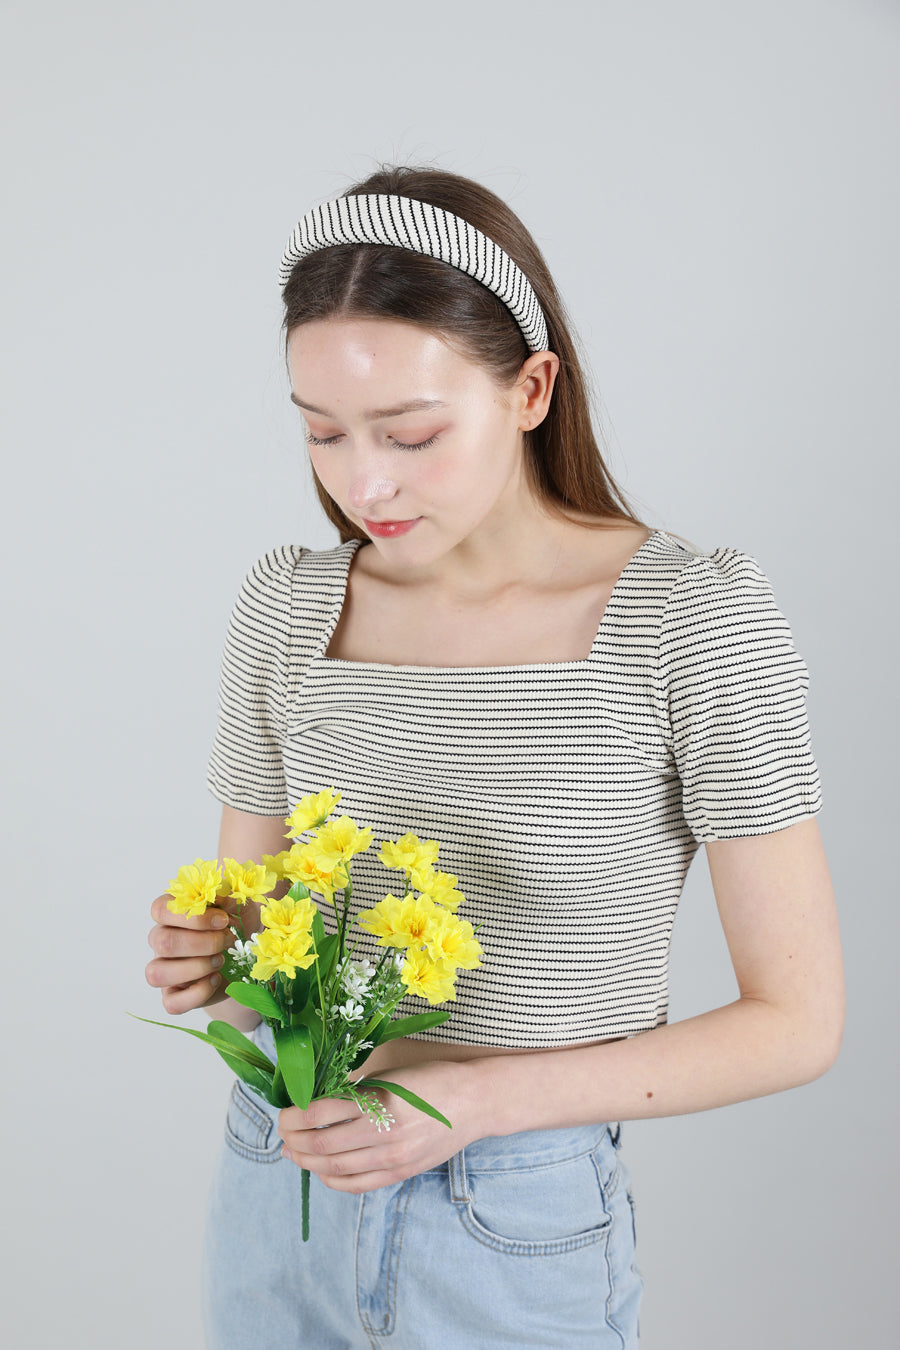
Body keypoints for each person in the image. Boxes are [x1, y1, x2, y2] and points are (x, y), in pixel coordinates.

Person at [145, 166, 845, 1349]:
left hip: (513, 1211)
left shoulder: (688, 618)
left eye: (411, 433)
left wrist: (471, 1101)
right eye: (322, 432)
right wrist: (213, 956)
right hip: (283, 1175)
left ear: (530, 389)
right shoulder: (286, 610)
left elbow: (798, 1019)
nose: (363, 482)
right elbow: (273, 936)